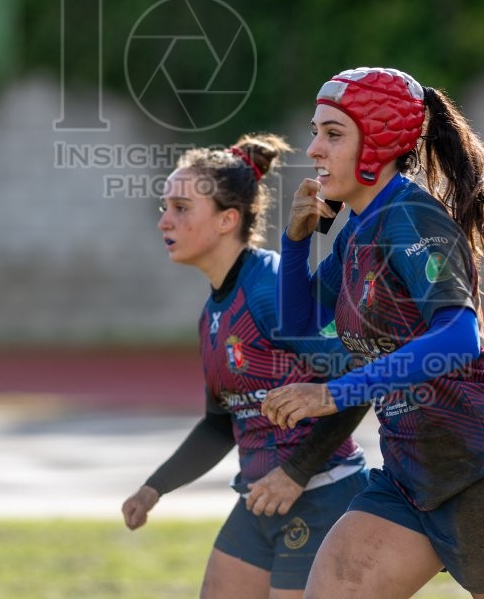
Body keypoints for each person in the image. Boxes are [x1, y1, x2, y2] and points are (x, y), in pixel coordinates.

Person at [261, 67, 484, 598]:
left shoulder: (411, 217)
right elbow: (297, 327)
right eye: (317, 131)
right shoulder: (357, 228)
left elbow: (459, 337)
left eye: (333, 134)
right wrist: (295, 243)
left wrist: (333, 394)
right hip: (409, 479)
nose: (314, 149)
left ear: (380, 141)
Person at [121, 135, 369, 599]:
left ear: (226, 219)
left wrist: (295, 472)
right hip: (259, 499)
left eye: (180, 208)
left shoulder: (271, 287)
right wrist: (155, 487)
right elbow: (221, 424)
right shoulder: (210, 314)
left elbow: (355, 383)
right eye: (164, 206)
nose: (164, 221)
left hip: (320, 494)